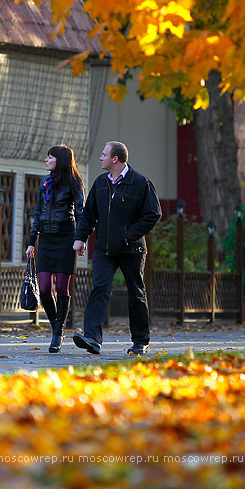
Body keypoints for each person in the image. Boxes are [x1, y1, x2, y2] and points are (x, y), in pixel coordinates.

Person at [72, 141, 161, 355]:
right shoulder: (101, 183)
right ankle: (92, 338)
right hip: (104, 249)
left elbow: (153, 214)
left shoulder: (140, 183)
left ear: (115, 159)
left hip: (132, 250)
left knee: (136, 293)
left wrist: (129, 234)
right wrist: (81, 238)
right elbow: (89, 214)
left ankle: (140, 341)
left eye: (104, 154)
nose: (100, 158)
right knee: (99, 288)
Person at [26, 145, 85, 353]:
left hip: (65, 239)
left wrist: (81, 238)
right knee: (43, 288)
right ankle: (56, 328)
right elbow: (38, 212)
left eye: (49, 157)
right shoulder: (45, 182)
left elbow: (81, 212)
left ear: (59, 160)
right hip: (46, 241)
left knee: (61, 287)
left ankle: (57, 332)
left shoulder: (74, 182)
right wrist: (32, 241)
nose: (46, 160)